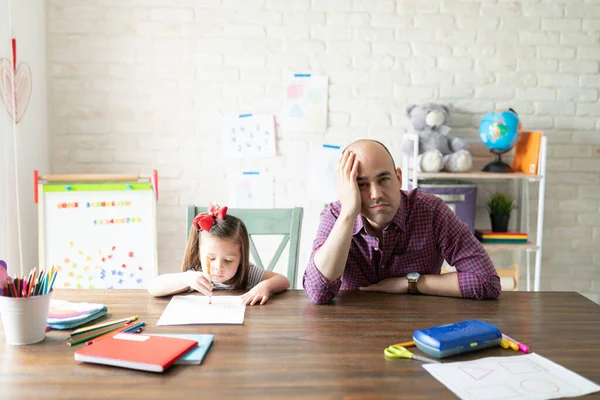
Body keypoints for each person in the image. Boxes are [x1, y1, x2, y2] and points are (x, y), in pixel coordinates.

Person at [303, 139, 501, 304]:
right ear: (347, 188)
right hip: (349, 333)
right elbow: (318, 292)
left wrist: (411, 283)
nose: (376, 194)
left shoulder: (432, 212)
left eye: (384, 180)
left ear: (399, 178)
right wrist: (348, 213)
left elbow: (486, 281)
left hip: (418, 326)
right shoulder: (335, 215)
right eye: (361, 185)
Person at [148, 204, 290, 305]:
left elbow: (284, 280)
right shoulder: (196, 276)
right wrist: (187, 278)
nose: (218, 267)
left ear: (241, 258)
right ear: (198, 253)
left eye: (228, 260)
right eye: (211, 258)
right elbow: (153, 288)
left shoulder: (247, 273)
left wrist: (266, 286)